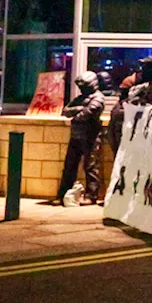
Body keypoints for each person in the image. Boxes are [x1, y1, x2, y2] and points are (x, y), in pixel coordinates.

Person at [56, 71, 105, 206]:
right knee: (69, 166)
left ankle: (92, 195)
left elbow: (87, 114)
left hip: (91, 136)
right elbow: (66, 111)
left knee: (91, 167)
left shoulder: (98, 97)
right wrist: (79, 108)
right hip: (76, 136)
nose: (82, 89)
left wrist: (77, 112)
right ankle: (63, 193)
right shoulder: (81, 98)